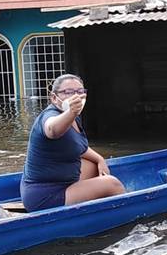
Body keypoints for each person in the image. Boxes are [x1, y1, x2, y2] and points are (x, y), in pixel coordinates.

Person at [20, 74, 125, 211]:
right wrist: (71, 112)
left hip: (63, 181)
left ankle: (94, 208)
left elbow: (80, 147)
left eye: (80, 92)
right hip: (44, 195)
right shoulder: (50, 116)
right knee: (113, 184)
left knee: (93, 165)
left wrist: (100, 159)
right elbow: (52, 129)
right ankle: (128, 215)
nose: (76, 96)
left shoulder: (74, 117)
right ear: (53, 98)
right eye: (68, 92)